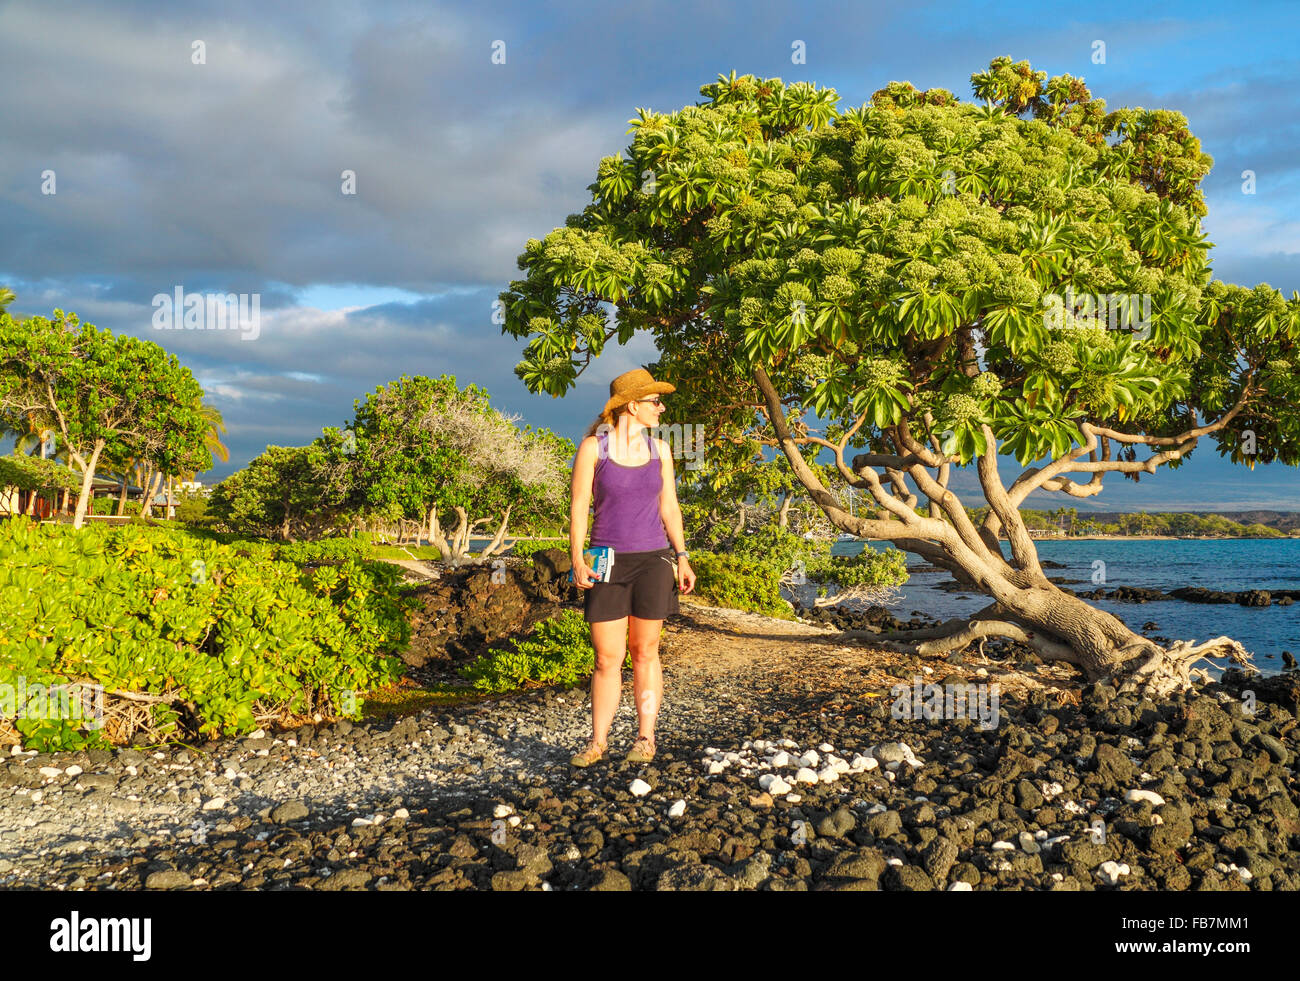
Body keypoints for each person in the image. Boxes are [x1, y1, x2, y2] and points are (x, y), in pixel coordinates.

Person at [568, 367, 695, 767]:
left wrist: (682, 555)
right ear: (631, 405)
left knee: (646, 651)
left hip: (653, 559)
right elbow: (578, 508)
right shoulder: (594, 448)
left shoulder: (661, 450)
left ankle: (645, 738)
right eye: (655, 401)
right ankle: (597, 742)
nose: (662, 407)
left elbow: (669, 507)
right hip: (605, 560)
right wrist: (576, 558)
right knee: (607, 657)